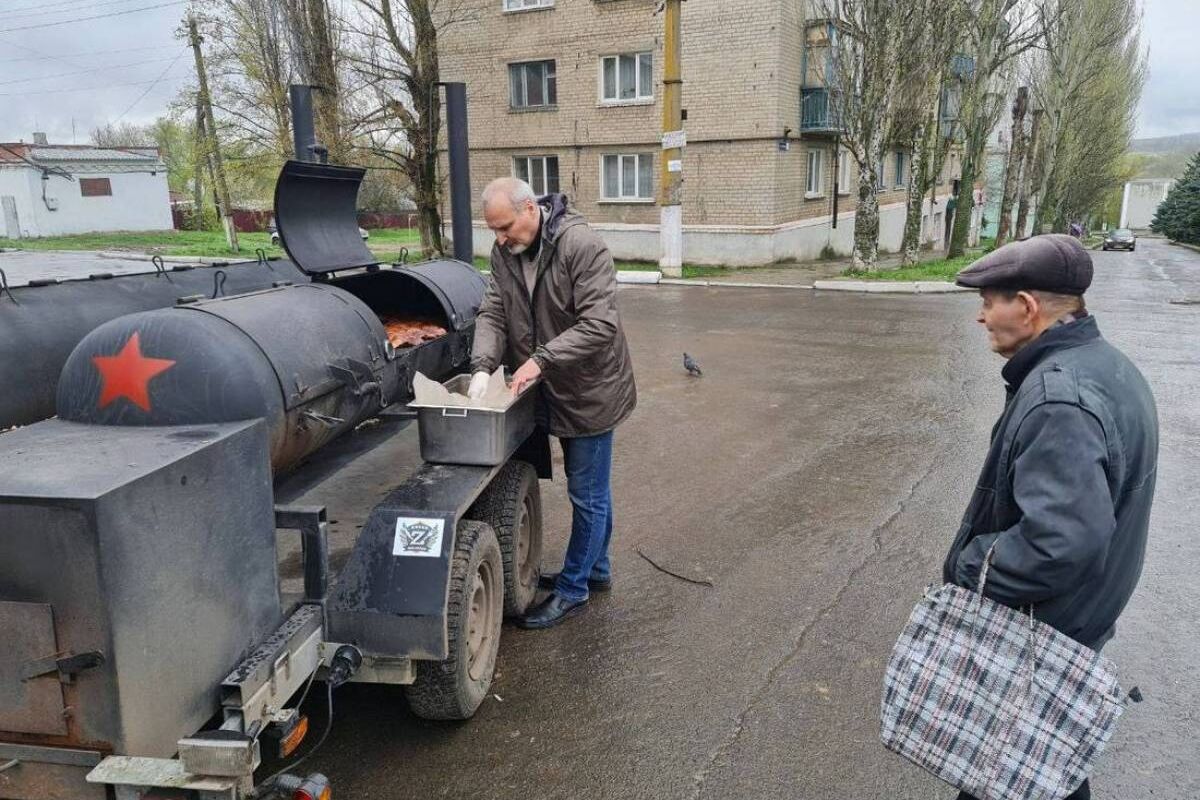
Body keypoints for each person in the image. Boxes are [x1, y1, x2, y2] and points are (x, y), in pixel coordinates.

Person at [944, 234, 1159, 800]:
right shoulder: (1104, 364)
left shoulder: (1059, 399)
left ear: (1029, 306)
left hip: (1046, 630)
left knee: (1011, 775)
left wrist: (970, 563)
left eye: (989, 301)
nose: (982, 317)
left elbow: (1057, 544)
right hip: (1079, 619)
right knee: (1039, 766)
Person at [468, 177, 637, 629]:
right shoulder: (505, 251)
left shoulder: (581, 245)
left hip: (591, 389)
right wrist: (483, 366)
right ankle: (595, 570)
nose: (500, 239)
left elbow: (600, 324)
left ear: (529, 209)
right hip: (550, 386)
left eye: (505, 227)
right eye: (494, 231)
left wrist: (541, 360)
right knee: (592, 490)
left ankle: (573, 590)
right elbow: (494, 311)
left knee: (587, 494)